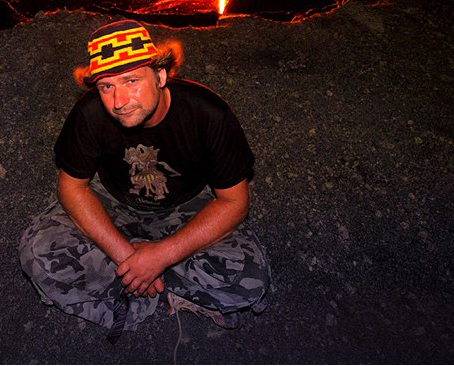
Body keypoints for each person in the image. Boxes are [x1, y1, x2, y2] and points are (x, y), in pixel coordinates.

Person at [19, 20, 270, 341]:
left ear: (161, 75)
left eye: (131, 80)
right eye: (106, 87)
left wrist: (161, 255)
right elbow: (71, 187)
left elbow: (234, 203)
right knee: (37, 253)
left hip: (188, 204)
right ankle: (157, 288)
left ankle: (131, 289)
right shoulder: (88, 114)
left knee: (249, 278)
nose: (119, 100)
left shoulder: (209, 115)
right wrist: (127, 255)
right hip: (113, 202)